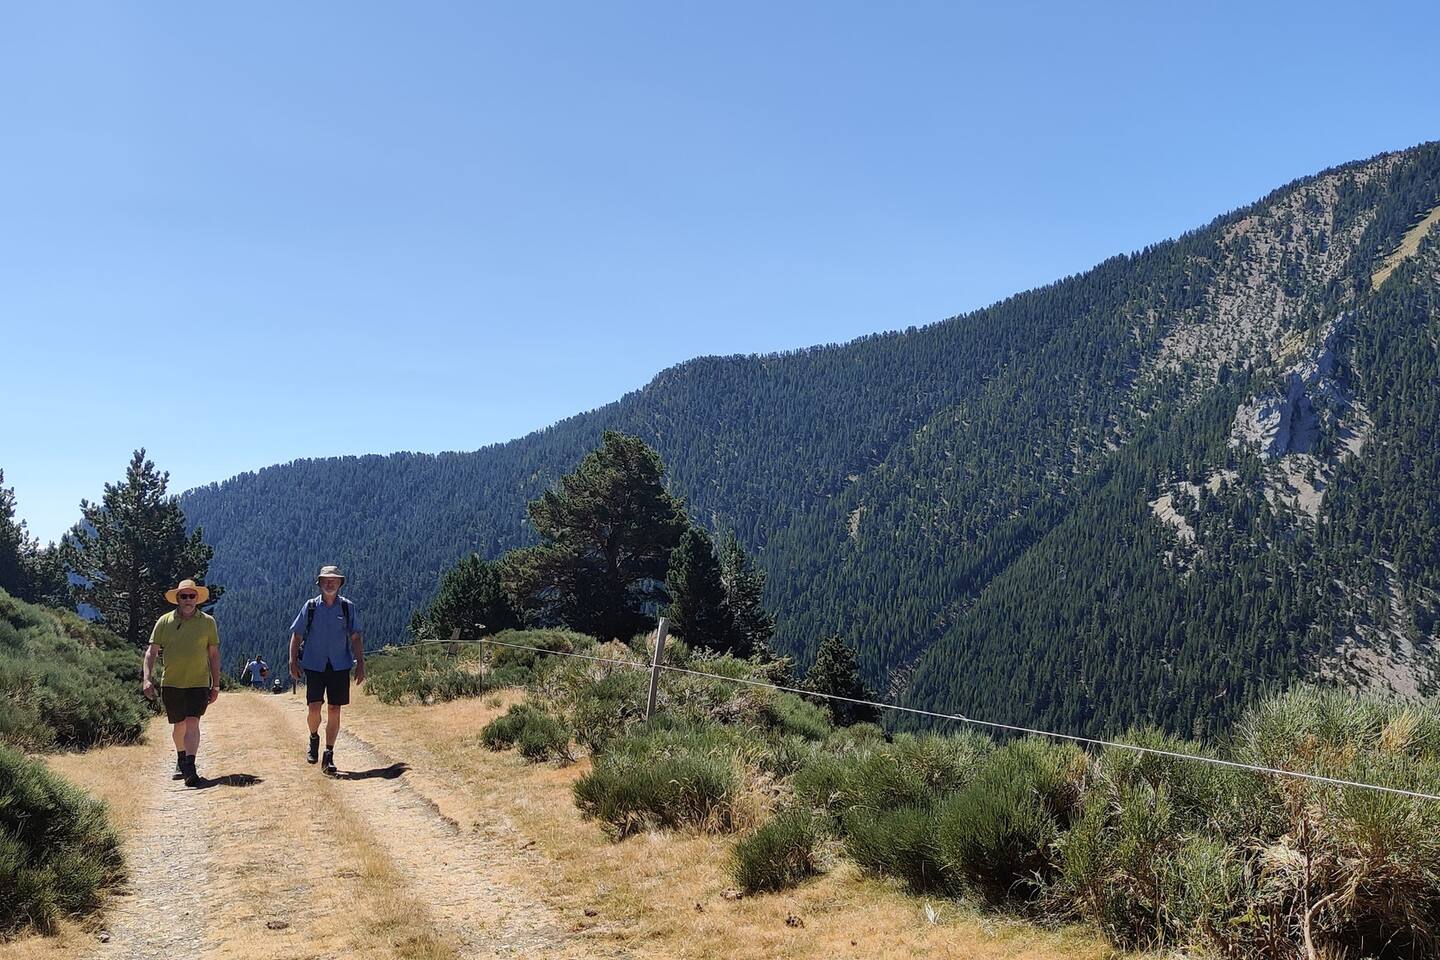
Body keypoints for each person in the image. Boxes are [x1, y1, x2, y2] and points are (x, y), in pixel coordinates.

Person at [142, 578, 221, 788]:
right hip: (172, 683)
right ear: (177, 599)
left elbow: (213, 654)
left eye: (191, 596)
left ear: (197, 598)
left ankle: (190, 767)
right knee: (180, 725)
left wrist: (216, 685)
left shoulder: (207, 622)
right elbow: (151, 652)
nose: (188, 600)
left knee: (193, 721)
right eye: (183, 596)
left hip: (199, 682)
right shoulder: (164, 621)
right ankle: (181, 757)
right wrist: (147, 678)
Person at [288, 565, 365, 775]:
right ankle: (314, 737)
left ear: (340, 583)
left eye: (334, 580)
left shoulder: (347, 607)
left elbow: (355, 636)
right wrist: (292, 661)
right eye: (326, 580)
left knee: (334, 709)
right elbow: (297, 635)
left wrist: (361, 663)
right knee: (314, 708)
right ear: (320, 583)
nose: (330, 583)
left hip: (340, 665)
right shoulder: (311, 606)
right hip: (314, 664)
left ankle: (328, 754)